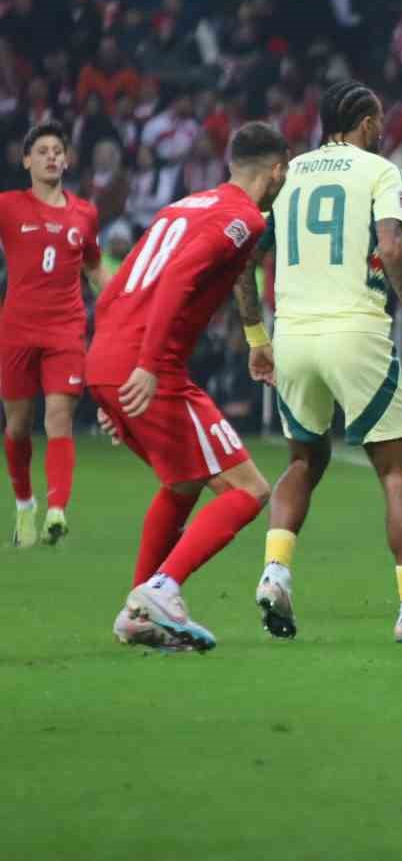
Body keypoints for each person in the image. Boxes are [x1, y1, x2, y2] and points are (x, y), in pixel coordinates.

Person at [237, 78, 402, 644]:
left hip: (295, 337)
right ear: (368, 124)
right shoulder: (379, 171)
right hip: (357, 332)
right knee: (397, 473)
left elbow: (243, 258)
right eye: (378, 120)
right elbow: (394, 247)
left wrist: (257, 334)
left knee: (304, 461)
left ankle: (275, 571)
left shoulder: (289, 174)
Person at [89, 122, 289, 652]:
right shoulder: (243, 218)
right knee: (249, 490)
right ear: (276, 170)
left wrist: (107, 379)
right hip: (151, 367)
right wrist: (148, 366)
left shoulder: (182, 206)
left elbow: (118, 289)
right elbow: (177, 280)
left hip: (111, 356)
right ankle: (162, 587)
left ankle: (138, 614)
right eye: (284, 172)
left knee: (181, 484)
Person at [1, 123, 107, 548]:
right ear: (26, 161)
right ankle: (25, 505)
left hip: (65, 329)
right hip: (17, 330)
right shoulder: (8, 207)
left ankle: (57, 509)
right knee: (19, 425)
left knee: (59, 416)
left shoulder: (85, 213)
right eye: (41, 150)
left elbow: (96, 268)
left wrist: (122, 301)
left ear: (66, 160)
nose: (50, 156)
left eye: (56, 150)